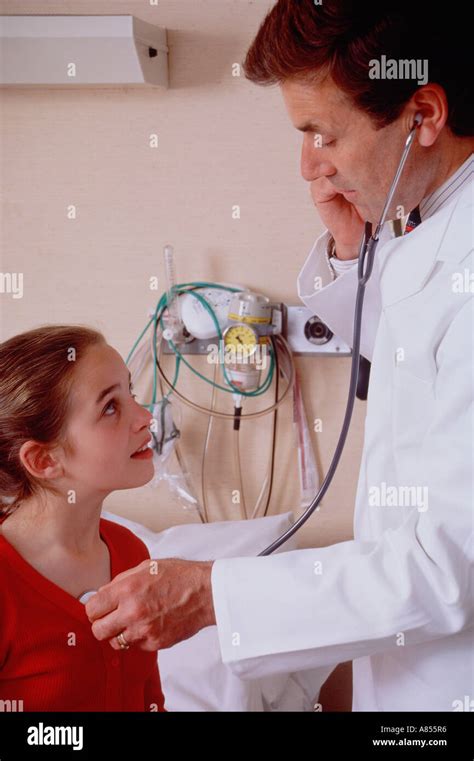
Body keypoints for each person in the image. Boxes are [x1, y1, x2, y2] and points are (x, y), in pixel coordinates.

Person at [85, 0, 473, 711]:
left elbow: (445, 571)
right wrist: (358, 251)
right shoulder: (431, 221)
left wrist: (211, 595)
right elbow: (411, 353)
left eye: (323, 133)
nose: (307, 166)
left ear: (424, 115)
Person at [0, 326, 166, 712]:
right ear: (45, 461)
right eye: (110, 406)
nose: (145, 418)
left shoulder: (131, 553)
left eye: (132, 393)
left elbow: (150, 702)